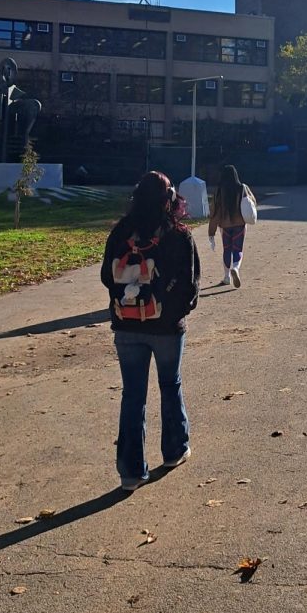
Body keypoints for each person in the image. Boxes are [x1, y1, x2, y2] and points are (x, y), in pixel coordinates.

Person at [100, 171, 201, 491]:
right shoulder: (179, 234)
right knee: (170, 384)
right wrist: (174, 311)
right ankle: (174, 450)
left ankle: (130, 472)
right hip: (167, 327)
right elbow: (191, 285)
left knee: (133, 395)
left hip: (126, 325)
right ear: (169, 199)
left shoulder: (120, 233)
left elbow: (107, 276)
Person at [207, 164, 256, 288]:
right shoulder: (242, 188)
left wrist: (211, 231)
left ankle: (226, 277)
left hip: (224, 225)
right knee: (238, 249)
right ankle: (236, 268)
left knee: (227, 249)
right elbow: (253, 202)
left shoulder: (219, 190)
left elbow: (214, 210)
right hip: (240, 224)